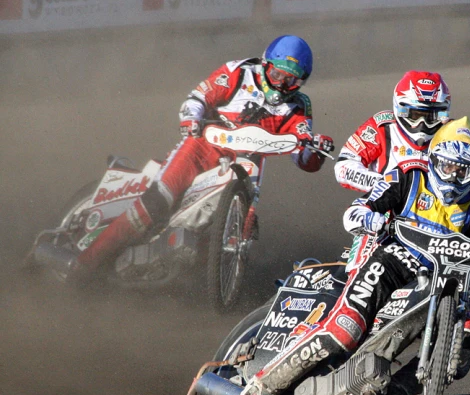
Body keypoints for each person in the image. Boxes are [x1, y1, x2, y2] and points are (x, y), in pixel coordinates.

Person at [238, 117, 470, 395]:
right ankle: (262, 388)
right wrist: (368, 219)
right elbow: (358, 210)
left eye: (465, 170)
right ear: (434, 158)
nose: (455, 176)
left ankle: (396, 392)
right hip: (392, 263)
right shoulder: (408, 175)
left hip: (442, 276)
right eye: (449, 166)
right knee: (345, 328)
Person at [69, 35, 334, 276]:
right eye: (277, 74)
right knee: (159, 199)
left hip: (248, 160)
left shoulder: (299, 106)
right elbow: (199, 96)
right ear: (266, 65)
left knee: (214, 231)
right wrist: (191, 118)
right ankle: (84, 265)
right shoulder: (238, 72)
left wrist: (315, 150)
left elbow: (302, 153)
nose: (282, 85)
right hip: (202, 146)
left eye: (292, 80)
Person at [335, 70, 470, 194]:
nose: (422, 124)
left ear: (444, 112)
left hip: (443, 221)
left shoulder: (452, 131)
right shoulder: (382, 126)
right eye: (414, 115)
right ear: (398, 107)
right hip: (386, 217)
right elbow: (344, 166)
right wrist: (382, 184)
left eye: (431, 116)